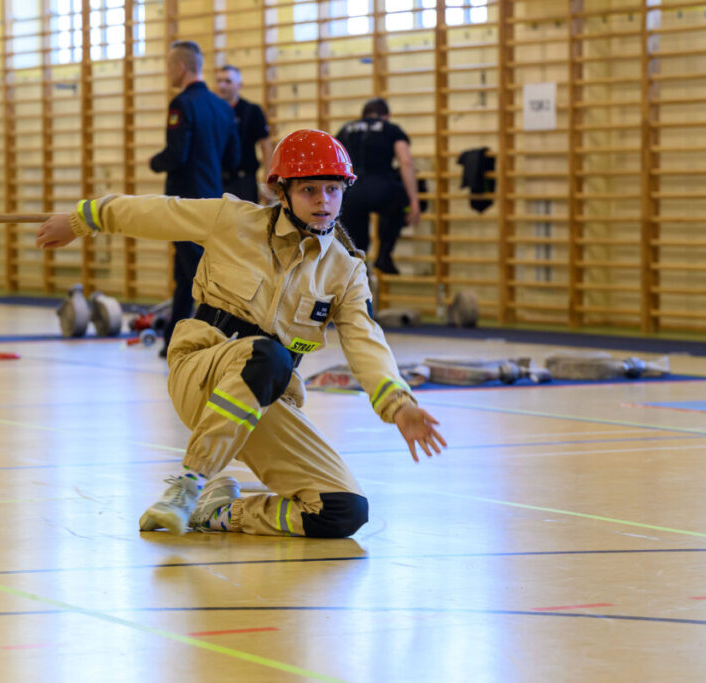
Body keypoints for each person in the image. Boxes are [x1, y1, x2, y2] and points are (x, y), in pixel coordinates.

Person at [36, 129, 446, 537]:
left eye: (332, 189)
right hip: (201, 371)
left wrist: (399, 405)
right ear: (282, 192)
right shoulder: (233, 220)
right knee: (268, 356)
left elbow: (365, 340)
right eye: (309, 190)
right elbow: (154, 212)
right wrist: (81, 219)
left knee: (342, 510)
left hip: (267, 398)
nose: (323, 201)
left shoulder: (346, 271)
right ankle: (189, 484)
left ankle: (219, 512)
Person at [151, 40, 240, 358]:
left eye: (168, 67)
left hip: (185, 205)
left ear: (180, 67)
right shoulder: (222, 108)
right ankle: (173, 340)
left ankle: (210, 340)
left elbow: (177, 155)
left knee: (198, 275)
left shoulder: (182, 104)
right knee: (185, 273)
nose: (167, 73)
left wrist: (155, 162)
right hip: (213, 200)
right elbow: (233, 159)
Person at [336, 97, 421, 275]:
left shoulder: (345, 130)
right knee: (400, 203)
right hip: (382, 189)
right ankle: (384, 254)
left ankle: (360, 271)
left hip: (351, 193)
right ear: (386, 116)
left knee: (356, 243)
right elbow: (405, 162)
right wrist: (413, 201)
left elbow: (334, 162)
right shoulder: (391, 129)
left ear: (364, 115)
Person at [215, 64, 272, 203]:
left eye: (228, 81)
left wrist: (268, 178)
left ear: (239, 85)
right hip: (217, 178)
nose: (222, 85)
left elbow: (265, 145)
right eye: (219, 81)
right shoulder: (212, 111)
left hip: (243, 179)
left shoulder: (252, 111)